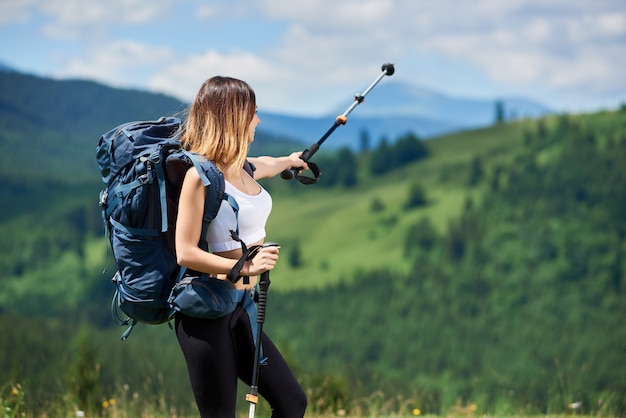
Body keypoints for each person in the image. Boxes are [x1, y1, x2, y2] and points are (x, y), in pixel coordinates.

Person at [174, 75, 308, 417]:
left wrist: (291, 161)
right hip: (205, 314)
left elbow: (270, 163)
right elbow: (185, 252)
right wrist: (244, 267)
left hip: (241, 307)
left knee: (292, 403)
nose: (258, 121)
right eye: (253, 113)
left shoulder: (243, 168)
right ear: (232, 116)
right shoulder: (199, 176)